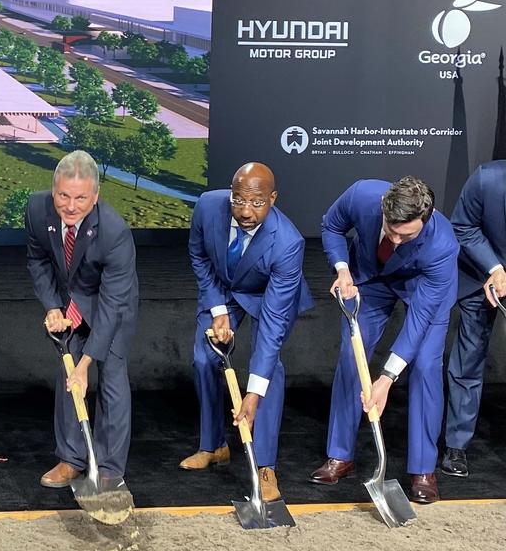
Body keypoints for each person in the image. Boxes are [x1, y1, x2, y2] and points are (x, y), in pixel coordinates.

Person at [312, 176, 458, 503]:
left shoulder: (442, 245)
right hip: (370, 279)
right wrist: (342, 269)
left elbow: (420, 320)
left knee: (424, 366)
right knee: (353, 358)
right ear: (383, 207)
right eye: (390, 229)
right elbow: (331, 226)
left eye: (405, 235)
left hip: (423, 288)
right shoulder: (362, 194)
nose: (394, 238)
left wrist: (387, 377)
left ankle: (422, 469)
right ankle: (341, 455)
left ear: (427, 219)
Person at [183, 162, 313, 501]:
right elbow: (199, 255)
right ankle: (214, 446)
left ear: (272, 199)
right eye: (238, 200)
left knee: (269, 369)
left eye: (256, 203)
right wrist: (218, 310)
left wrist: (252, 393)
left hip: (267, 294)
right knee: (203, 358)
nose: (245, 211)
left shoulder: (288, 243)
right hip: (224, 289)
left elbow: (271, 327)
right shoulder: (208, 206)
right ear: (230, 193)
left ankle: (265, 467)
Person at [25, 150, 138, 489]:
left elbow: (111, 303)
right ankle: (71, 458)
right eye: (63, 196)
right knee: (67, 373)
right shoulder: (36, 208)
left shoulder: (114, 232)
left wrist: (87, 362)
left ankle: (109, 468)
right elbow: (38, 260)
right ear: (53, 188)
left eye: (80, 198)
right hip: (69, 299)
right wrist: (51, 306)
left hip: (111, 302)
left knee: (111, 377)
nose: (70, 206)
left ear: (96, 196)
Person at [443, 161, 506, 477]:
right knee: (468, 360)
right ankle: (457, 444)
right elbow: (462, 226)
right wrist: (493, 269)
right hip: (479, 277)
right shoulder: (487, 180)